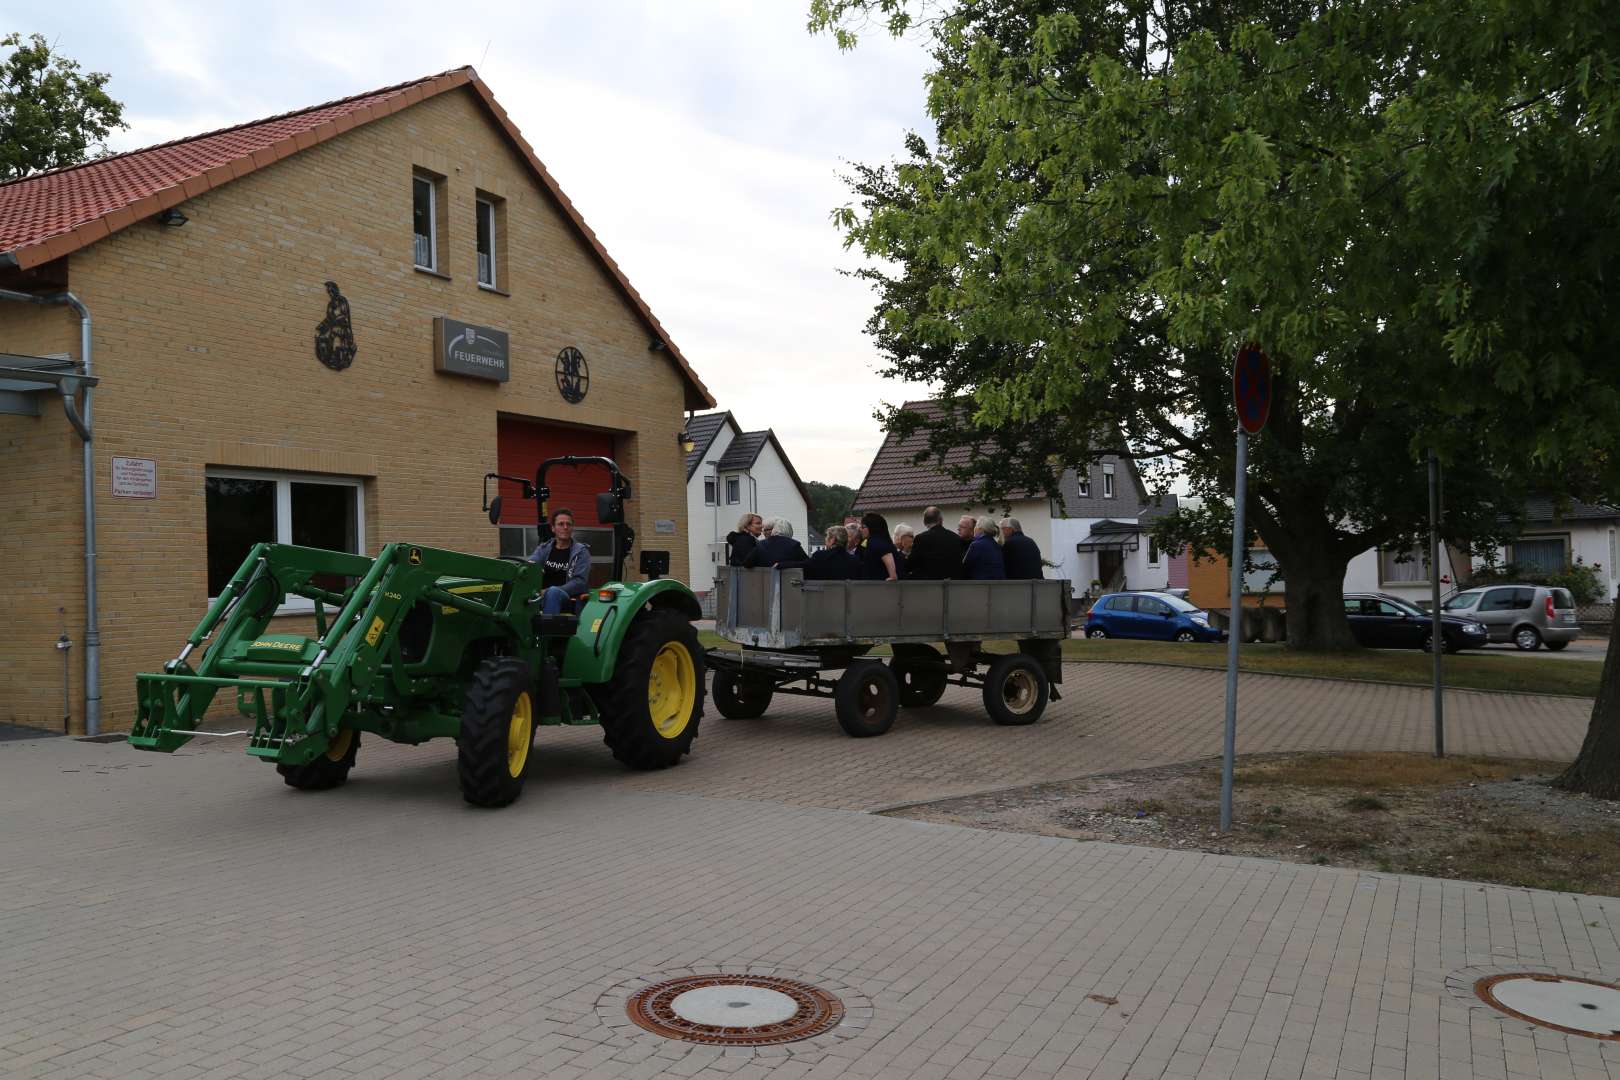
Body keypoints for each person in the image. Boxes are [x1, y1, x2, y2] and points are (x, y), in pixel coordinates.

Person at [529, 508, 592, 614]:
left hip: (568, 598)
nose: (565, 527)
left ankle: (548, 629)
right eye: (561, 524)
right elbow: (531, 566)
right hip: (540, 595)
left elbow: (579, 582)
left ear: (572, 528)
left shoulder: (581, 552)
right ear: (553, 528)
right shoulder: (544, 548)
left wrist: (547, 591)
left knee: (553, 592)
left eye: (568, 524)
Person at [908, 506, 967, 580]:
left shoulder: (921, 539)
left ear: (924, 522)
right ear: (941, 520)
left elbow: (911, 564)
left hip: (929, 585)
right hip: (952, 585)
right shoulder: (956, 538)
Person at [743, 517, 809, 568]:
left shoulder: (760, 545)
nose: (763, 533)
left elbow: (747, 564)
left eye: (766, 530)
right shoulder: (794, 545)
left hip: (762, 582)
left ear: (774, 529)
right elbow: (809, 564)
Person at [860, 512, 899, 581]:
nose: (860, 529)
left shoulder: (875, 542)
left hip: (879, 587)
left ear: (872, 527)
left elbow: (886, 554)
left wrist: (893, 576)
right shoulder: (883, 541)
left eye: (863, 527)